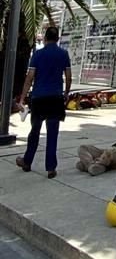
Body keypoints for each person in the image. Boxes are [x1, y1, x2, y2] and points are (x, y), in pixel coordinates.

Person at [16, 25, 71, 179]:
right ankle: (51, 168)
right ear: (58, 38)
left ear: (45, 38)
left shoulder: (38, 55)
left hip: (39, 98)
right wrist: (66, 94)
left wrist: (22, 98)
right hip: (55, 98)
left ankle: (27, 161)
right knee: (52, 133)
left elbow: (29, 77)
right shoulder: (63, 54)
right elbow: (68, 76)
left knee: (34, 131)